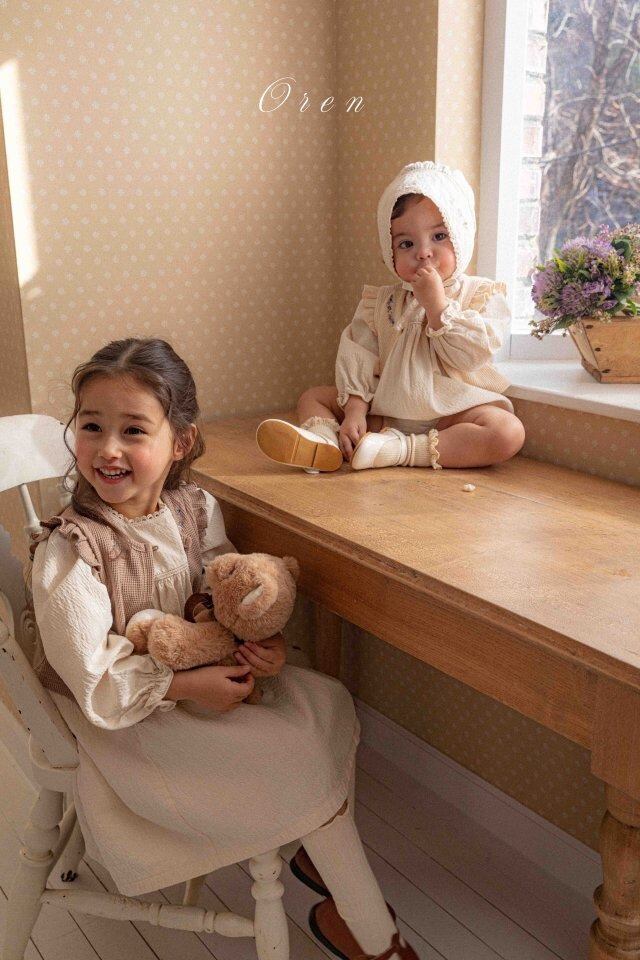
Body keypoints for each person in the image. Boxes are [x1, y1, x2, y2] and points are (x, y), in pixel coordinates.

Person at [29, 338, 418, 960]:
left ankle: (321, 847)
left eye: (134, 430)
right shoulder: (73, 549)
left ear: (180, 442)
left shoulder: (194, 508)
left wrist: (261, 645)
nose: (107, 449)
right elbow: (92, 676)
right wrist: (184, 686)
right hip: (127, 713)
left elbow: (227, 595)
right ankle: (376, 936)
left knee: (322, 701)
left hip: (200, 676)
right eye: (91, 426)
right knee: (293, 755)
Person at [256, 161, 525, 473]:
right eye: (406, 243)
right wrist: (355, 411)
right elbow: (360, 356)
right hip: (385, 413)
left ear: (462, 235)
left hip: (450, 416)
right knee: (313, 397)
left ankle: (400, 450)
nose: (423, 252)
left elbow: (471, 357)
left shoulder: (480, 295)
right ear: (389, 251)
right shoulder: (380, 302)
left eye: (439, 236)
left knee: (507, 431)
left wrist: (437, 307)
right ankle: (326, 444)